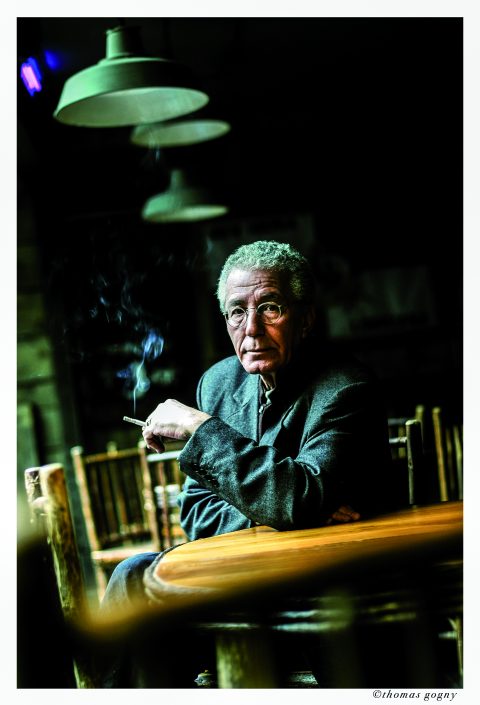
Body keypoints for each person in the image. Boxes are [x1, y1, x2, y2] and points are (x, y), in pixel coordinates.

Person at [100, 240, 394, 685]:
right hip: (238, 582)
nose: (251, 329)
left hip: (319, 594)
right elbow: (197, 513)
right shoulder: (218, 382)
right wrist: (290, 506)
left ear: (306, 318)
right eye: (237, 312)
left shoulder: (346, 388)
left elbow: (297, 498)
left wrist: (201, 428)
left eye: (271, 308)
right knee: (133, 575)